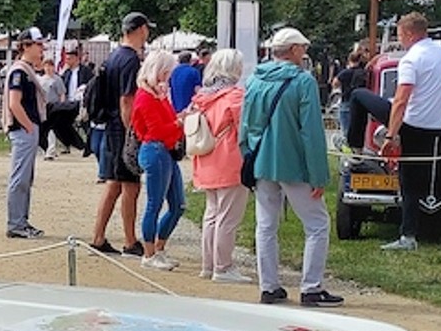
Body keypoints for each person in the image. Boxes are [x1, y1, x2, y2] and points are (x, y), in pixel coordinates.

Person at [241, 27, 342, 305]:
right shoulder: (303, 82)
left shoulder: (254, 80)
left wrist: (246, 155)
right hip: (294, 164)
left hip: (261, 161)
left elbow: (245, 124)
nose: (305, 53)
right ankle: (311, 286)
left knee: (266, 225)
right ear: (294, 50)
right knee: (317, 223)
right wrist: (318, 174)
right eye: (303, 48)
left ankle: (269, 285)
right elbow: (311, 132)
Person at [344, 12, 441, 250]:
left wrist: (391, 135)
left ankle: (355, 144)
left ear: (410, 34)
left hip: (410, 122)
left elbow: (401, 100)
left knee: (357, 96)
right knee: (414, 181)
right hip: (433, 124)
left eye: (400, 34)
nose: (399, 39)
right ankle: (409, 233)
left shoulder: (411, 59)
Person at [188, 48, 252, 282]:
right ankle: (223, 267)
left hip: (206, 159)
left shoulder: (202, 97)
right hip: (229, 160)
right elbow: (246, 129)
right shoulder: (235, 97)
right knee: (228, 217)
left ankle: (209, 264)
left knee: (212, 215)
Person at [88, 12, 147, 255]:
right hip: (122, 126)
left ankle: (98, 236)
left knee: (113, 184)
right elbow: (127, 99)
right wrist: (132, 131)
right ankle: (130, 240)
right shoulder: (131, 59)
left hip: (109, 125)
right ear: (140, 29)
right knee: (130, 185)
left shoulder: (112, 56)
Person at [131, 49, 185, 270]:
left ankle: (158, 248)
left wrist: (178, 119)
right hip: (155, 149)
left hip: (164, 150)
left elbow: (167, 122)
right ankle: (149, 252)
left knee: (178, 204)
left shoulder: (156, 95)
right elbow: (157, 130)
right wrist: (179, 123)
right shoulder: (145, 96)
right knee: (155, 203)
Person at [2, 31, 45, 237]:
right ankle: (16, 223)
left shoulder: (26, 70)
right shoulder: (20, 72)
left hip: (27, 128)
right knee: (20, 177)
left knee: (26, 177)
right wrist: (28, 125)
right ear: (26, 46)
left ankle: (21, 220)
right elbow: (14, 103)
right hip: (23, 129)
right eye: (38, 45)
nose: (41, 49)